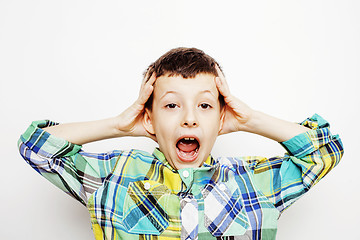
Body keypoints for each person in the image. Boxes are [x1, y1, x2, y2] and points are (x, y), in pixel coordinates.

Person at [18, 47, 344, 240]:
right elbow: (35, 144)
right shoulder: (113, 175)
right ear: (149, 119)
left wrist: (251, 120)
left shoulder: (253, 181)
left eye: (204, 105)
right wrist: (118, 125)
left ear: (221, 117)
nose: (189, 118)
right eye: (172, 105)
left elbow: (325, 150)